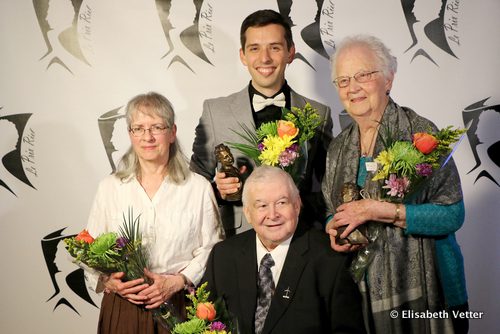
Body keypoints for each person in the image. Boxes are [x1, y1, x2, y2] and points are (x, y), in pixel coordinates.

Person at [322, 35, 468, 333]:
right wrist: (332, 225)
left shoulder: (421, 135)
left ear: (388, 79)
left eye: (363, 75)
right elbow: (330, 207)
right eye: (343, 80)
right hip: (361, 296)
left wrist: (380, 210)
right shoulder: (338, 148)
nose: (353, 87)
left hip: (431, 296)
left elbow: (453, 215)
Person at [85, 92, 223, 333]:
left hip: (179, 307)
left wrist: (179, 281)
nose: (147, 136)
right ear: (130, 134)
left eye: (156, 127)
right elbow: (90, 248)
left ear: (172, 132)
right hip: (123, 307)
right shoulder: (109, 187)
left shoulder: (198, 187)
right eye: (138, 128)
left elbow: (214, 247)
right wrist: (108, 281)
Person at [190, 9, 333, 237]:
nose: (264, 58)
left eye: (274, 47)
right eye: (254, 48)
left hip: (301, 241)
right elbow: (193, 185)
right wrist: (217, 191)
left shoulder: (318, 113)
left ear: (290, 52)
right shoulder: (214, 112)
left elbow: (327, 185)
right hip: (237, 242)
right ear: (243, 55)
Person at [202, 166, 366, 334]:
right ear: (248, 213)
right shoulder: (223, 256)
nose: (272, 215)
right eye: (262, 205)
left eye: (281, 203)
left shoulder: (330, 260)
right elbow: (201, 324)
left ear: (297, 205)